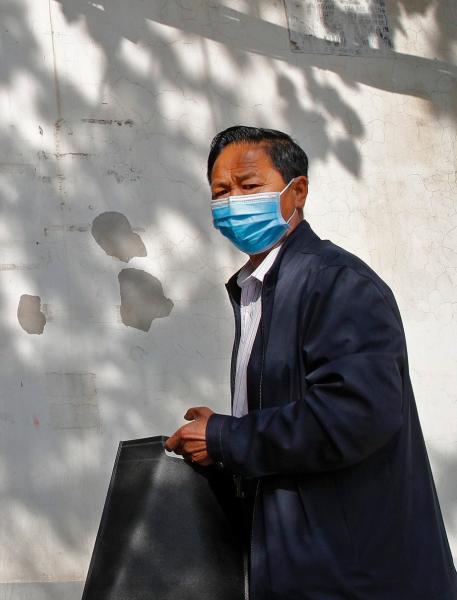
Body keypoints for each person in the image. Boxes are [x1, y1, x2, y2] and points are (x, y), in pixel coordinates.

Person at [165, 126, 457, 599]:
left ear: (295, 191)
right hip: (299, 562)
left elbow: (354, 416)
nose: (233, 200)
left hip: (353, 573)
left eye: (249, 185)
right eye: (221, 192)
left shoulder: (336, 282)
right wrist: (219, 439)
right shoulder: (260, 288)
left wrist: (225, 437)